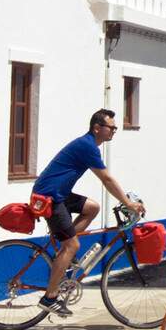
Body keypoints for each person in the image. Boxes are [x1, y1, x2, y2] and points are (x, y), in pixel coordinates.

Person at [32, 107, 145, 316]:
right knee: (72, 244)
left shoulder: (89, 145)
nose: (113, 131)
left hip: (60, 194)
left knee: (92, 207)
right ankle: (49, 298)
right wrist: (128, 203)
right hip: (50, 197)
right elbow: (107, 179)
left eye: (115, 128)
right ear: (97, 128)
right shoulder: (87, 146)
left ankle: (64, 251)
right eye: (111, 127)